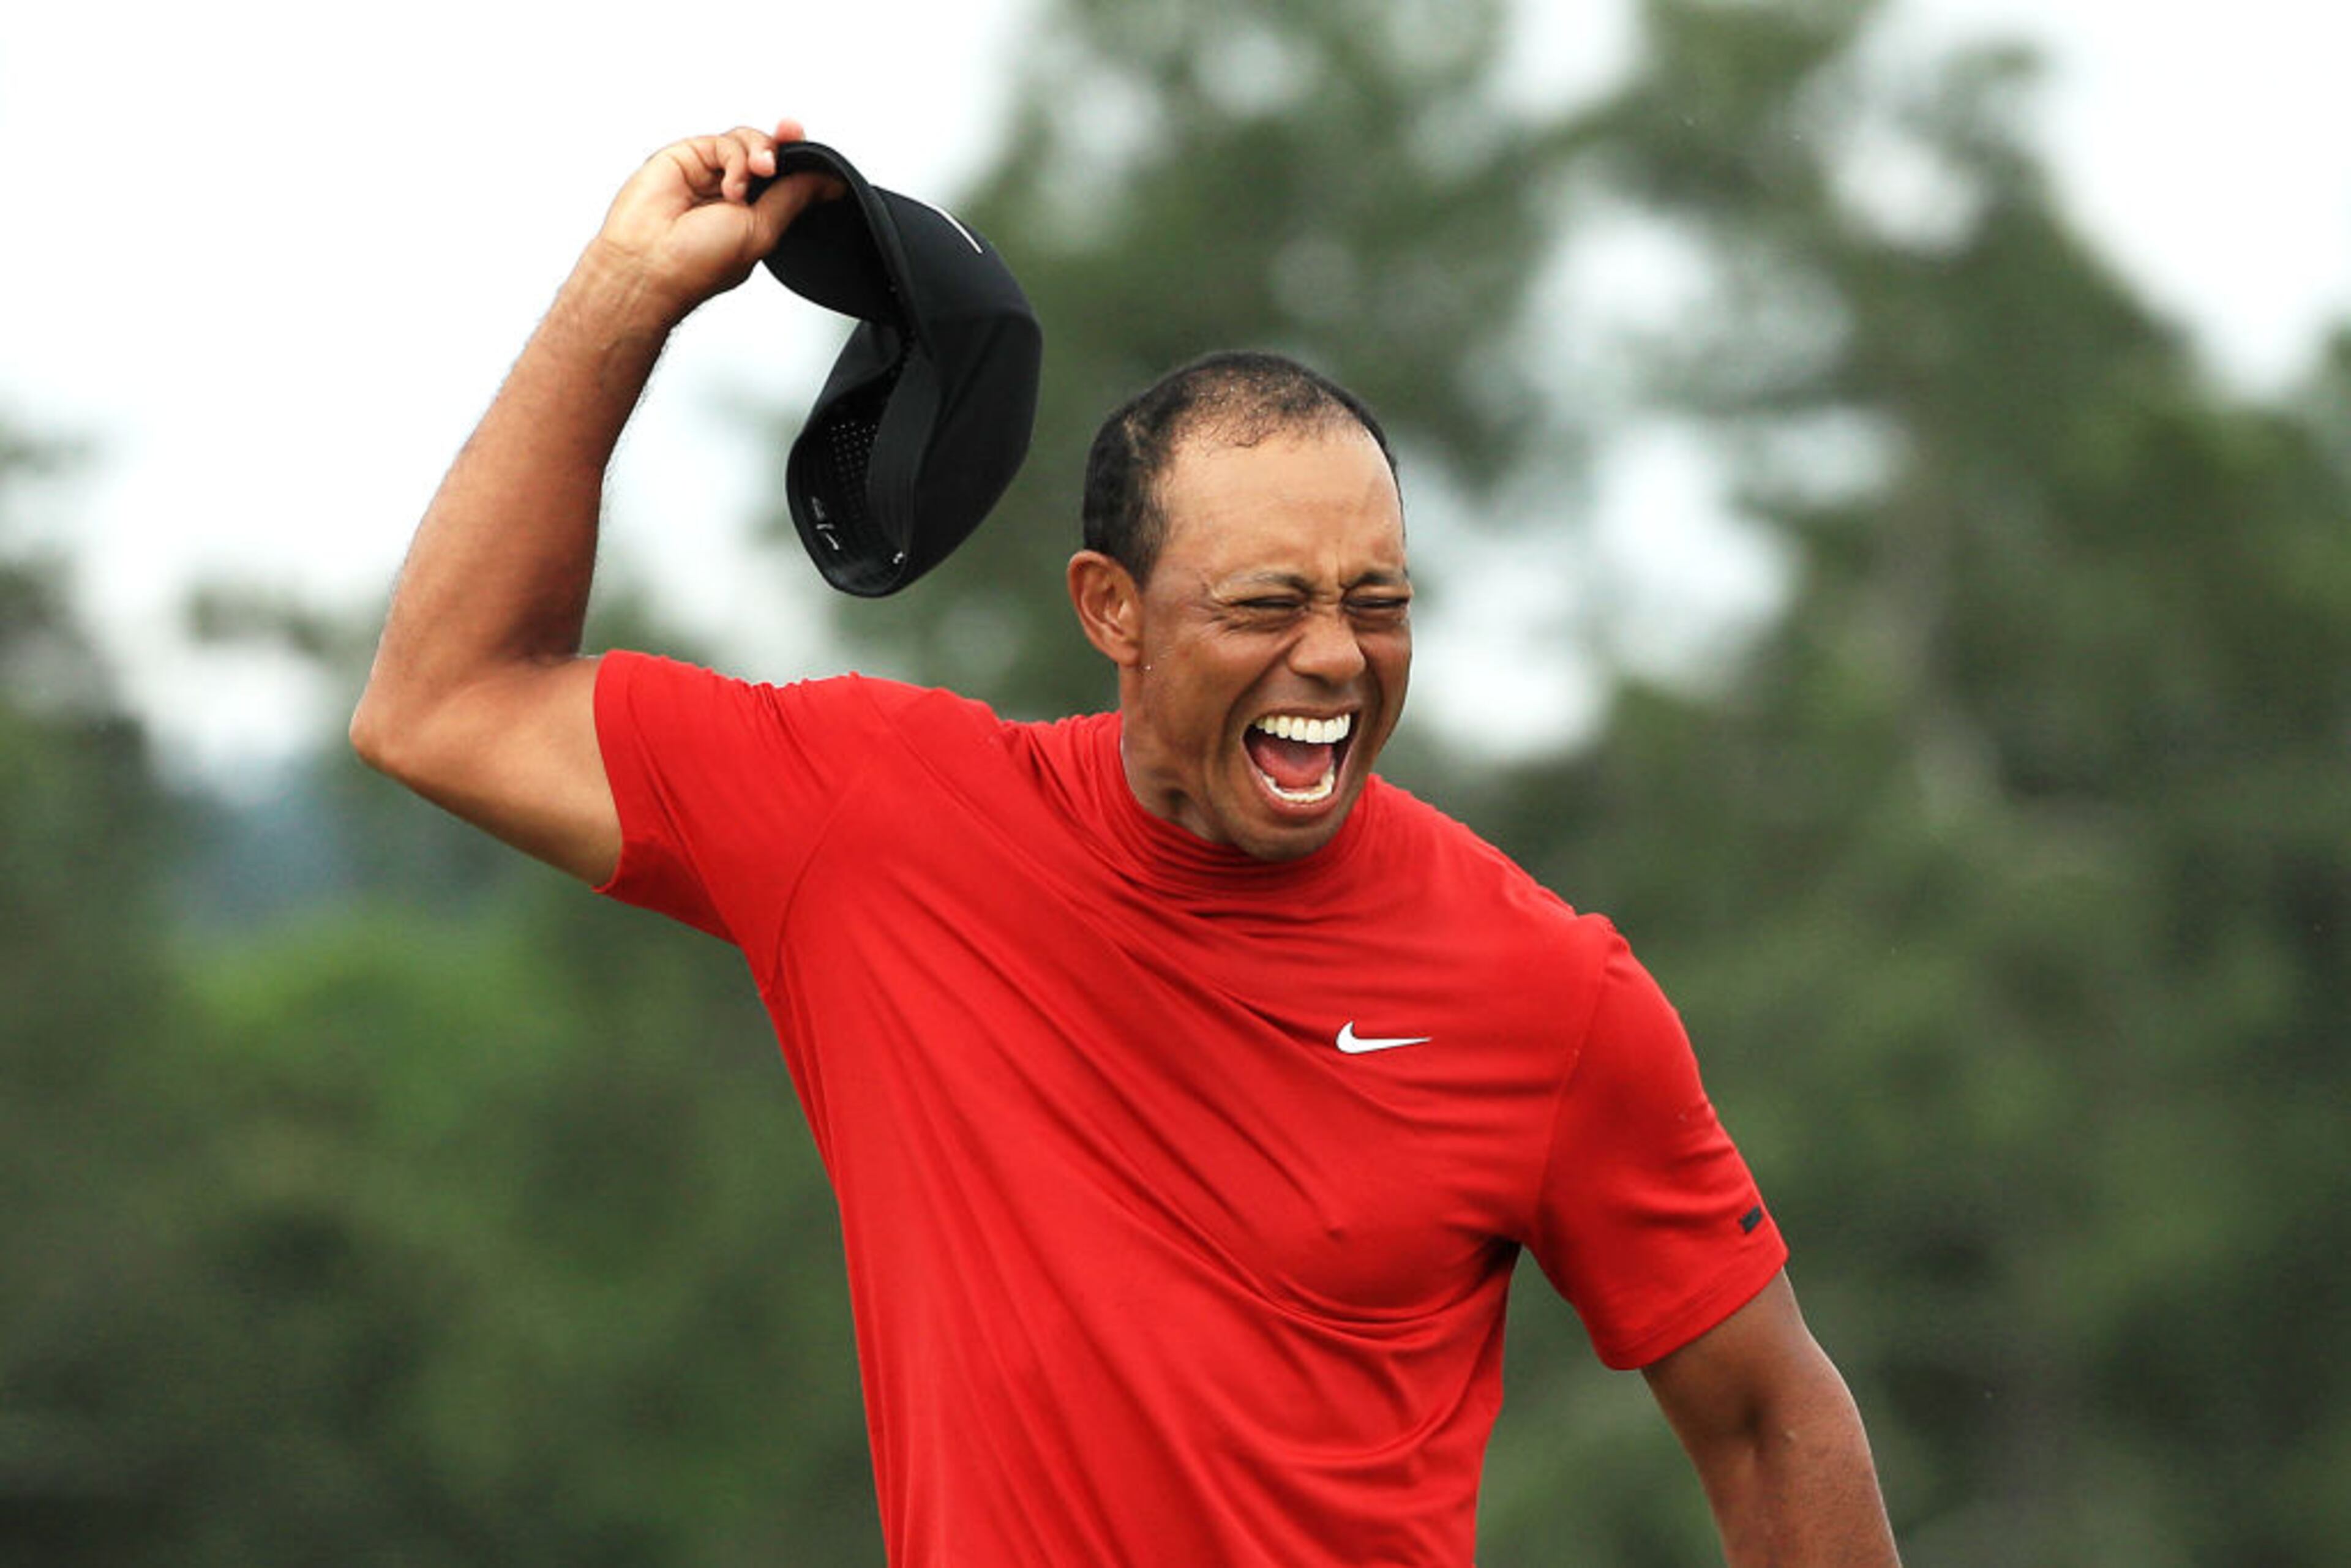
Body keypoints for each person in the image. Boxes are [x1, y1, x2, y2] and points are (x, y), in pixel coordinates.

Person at [352, 119, 1901, 1567]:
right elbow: (445, 702)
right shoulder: (873, 825)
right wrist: (622, 297)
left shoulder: (1542, 988)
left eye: (1378, 603)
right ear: (1113, 612)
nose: (1336, 658)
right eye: (1266, 604)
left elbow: (1771, 1417)